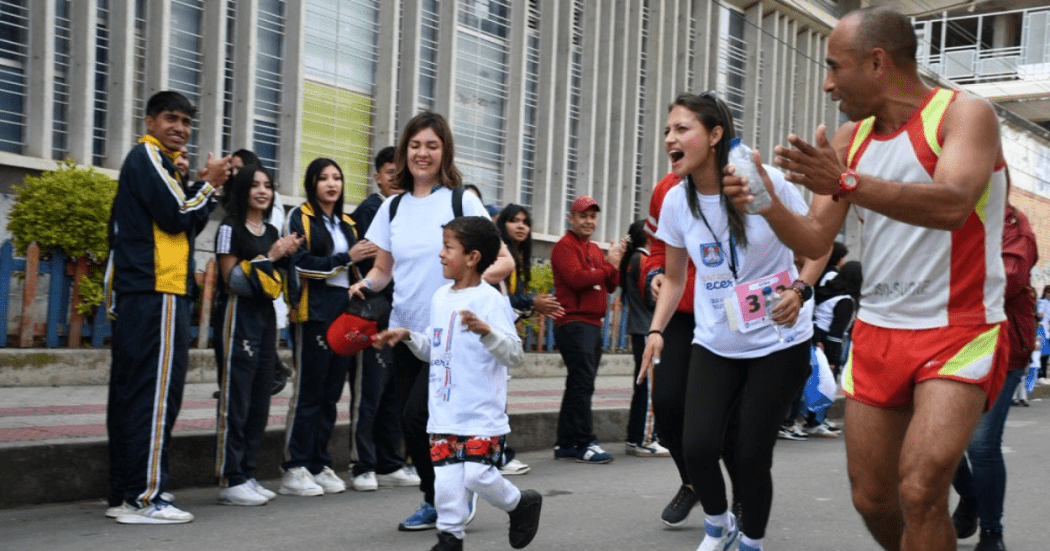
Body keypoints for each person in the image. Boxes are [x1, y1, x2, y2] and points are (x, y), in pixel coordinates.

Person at [729, 7, 1010, 550]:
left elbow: (953, 204)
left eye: (836, 66)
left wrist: (848, 182)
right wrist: (765, 202)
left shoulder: (964, 114)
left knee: (921, 489)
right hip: (879, 331)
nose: (828, 83)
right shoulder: (849, 139)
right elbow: (816, 239)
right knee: (873, 499)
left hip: (959, 329)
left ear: (878, 63)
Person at [639, 91, 825, 551]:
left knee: (751, 454)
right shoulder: (676, 201)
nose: (670, 139)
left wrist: (800, 290)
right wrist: (656, 330)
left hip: (779, 339)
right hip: (717, 339)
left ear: (715, 134)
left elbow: (817, 245)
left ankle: (751, 542)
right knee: (698, 444)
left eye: (682, 129)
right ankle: (719, 526)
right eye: (667, 131)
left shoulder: (765, 181)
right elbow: (676, 278)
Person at [347, 111, 515, 531]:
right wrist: (364, 285)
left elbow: (503, 260)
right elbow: (383, 270)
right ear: (405, 151)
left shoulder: (461, 201)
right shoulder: (392, 207)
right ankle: (437, 498)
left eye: (432, 146)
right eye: (415, 145)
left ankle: (455, 496)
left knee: (420, 415)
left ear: (445, 152)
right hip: (406, 331)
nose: (422, 153)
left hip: (452, 335)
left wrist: (466, 289)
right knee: (414, 423)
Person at [373, 216, 542, 551]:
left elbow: (514, 355)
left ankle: (520, 503)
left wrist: (487, 332)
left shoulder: (490, 301)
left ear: (472, 257)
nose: (441, 254)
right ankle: (450, 538)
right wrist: (409, 337)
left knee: (477, 476)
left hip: (481, 415)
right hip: (444, 414)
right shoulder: (440, 298)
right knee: (447, 484)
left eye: (448, 248)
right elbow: (435, 350)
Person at [105, 90, 230, 524]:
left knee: (132, 395)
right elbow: (179, 216)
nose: (179, 128)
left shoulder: (157, 162)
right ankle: (145, 497)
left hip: (147, 291)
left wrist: (196, 187)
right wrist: (210, 184)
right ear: (150, 121)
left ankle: (126, 492)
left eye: (186, 122)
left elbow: (180, 217)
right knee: (156, 395)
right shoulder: (148, 157)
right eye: (170, 119)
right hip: (157, 290)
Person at [280, 158, 375, 497]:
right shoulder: (300, 217)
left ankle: (319, 463)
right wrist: (345, 258)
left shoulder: (348, 223)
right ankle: (295, 466)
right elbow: (301, 265)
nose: (332, 184)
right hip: (313, 312)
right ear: (312, 183)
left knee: (331, 393)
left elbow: (358, 270)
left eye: (337, 177)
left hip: (344, 313)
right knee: (309, 390)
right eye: (323, 178)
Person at [950, 189, 1037, 551]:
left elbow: (1007, 279)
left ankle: (991, 532)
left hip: (1002, 346)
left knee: (981, 445)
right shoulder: (946, 215)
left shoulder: (1013, 225)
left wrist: (952, 277)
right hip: (949, 344)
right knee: (936, 439)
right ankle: (972, 496)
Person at [213, 165, 302, 506]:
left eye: (267, 185)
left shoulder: (271, 230)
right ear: (242, 190)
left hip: (265, 317)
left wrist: (285, 256)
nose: (263, 191)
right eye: (255, 185)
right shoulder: (229, 227)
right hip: (238, 315)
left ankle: (247, 472)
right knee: (236, 398)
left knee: (260, 397)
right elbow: (231, 279)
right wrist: (272, 256)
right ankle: (230, 478)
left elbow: (274, 278)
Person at [347, 146, 418, 492]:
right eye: (390, 173)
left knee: (393, 393)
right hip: (371, 314)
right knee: (369, 393)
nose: (396, 179)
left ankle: (391, 462)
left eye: (401, 173)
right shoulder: (370, 211)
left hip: (398, 316)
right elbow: (373, 265)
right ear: (377, 177)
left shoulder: (405, 210)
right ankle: (362, 464)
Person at [550, 195, 625, 464]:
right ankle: (584, 442)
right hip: (574, 323)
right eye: (583, 216)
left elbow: (611, 284)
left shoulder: (593, 248)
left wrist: (614, 264)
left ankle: (566, 443)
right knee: (582, 383)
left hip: (592, 324)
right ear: (571, 218)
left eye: (593, 217)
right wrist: (608, 266)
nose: (589, 221)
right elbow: (577, 279)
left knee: (579, 384)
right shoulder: (564, 246)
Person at [494, 203, 564, 476]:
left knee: (497, 399)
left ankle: (497, 455)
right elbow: (494, 299)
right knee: (494, 401)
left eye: (525, 221)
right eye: (514, 221)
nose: (521, 226)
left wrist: (530, 304)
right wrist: (531, 302)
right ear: (503, 225)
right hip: (489, 337)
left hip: (501, 336)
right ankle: (497, 456)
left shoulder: (518, 257)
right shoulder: (499, 256)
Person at [619, 219, 669, 457]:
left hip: (641, 330)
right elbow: (651, 297)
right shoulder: (642, 259)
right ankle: (646, 440)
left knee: (642, 386)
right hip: (646, 330)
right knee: (649, 389)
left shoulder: (634, 258)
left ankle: (634, 436)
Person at [803, 260, 862, 436]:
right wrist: (832, 359)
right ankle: (815, 422)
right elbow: (835, 334)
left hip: (816, 338)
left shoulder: (830, 291)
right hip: (826, 343)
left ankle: (818, 419)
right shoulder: (846, 300)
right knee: (826, 382)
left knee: (816, 382)